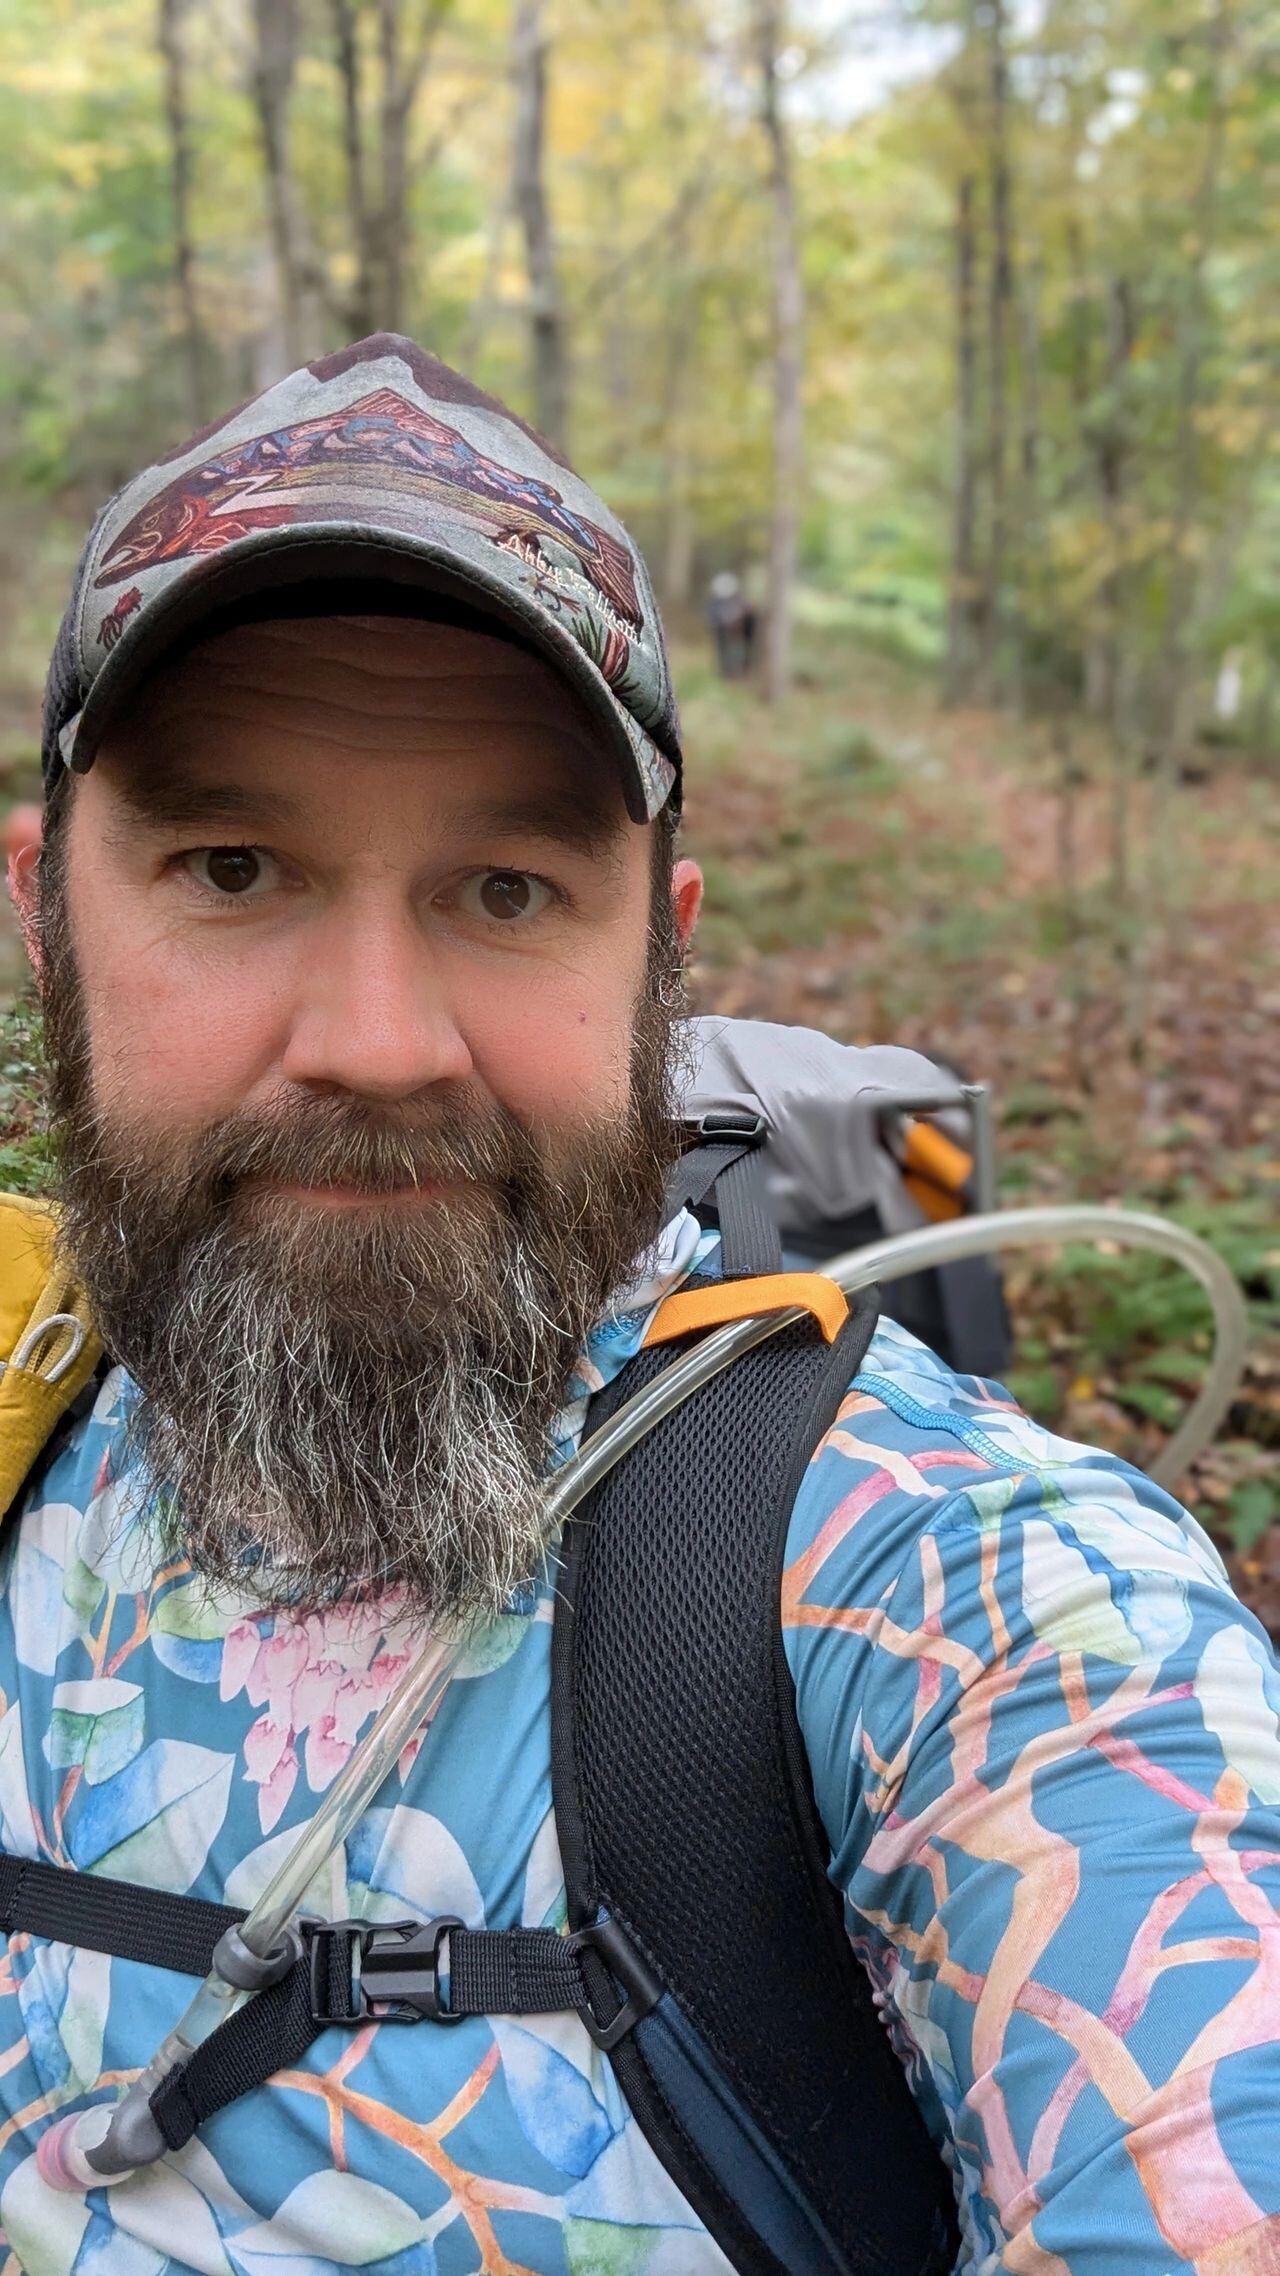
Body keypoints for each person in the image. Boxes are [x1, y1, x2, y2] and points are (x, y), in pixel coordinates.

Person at [0, 330, 1276, 2275]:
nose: (375, 1041)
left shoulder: (966, 1597)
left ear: (655, 961)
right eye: (234, 863)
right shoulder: (18, 1410)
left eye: (505, 888)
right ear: (47, 919)